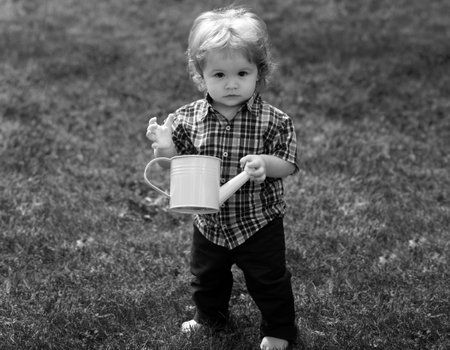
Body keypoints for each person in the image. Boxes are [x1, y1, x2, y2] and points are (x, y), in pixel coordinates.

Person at [146, 6, 298, 350]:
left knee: (268, 279)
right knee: (206, 277)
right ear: (201, 76)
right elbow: (174, 162)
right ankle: (210, 317)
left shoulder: (275, 121)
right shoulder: (188, 118)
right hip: (209, 221)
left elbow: (287, 163)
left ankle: (279, 329)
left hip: (258, 220)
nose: (231, 83)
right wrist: (165, 146)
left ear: (259, 72)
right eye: (218, 75)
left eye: (242, 73)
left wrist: (264, 163)